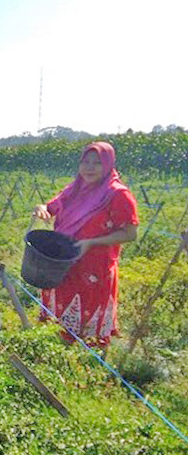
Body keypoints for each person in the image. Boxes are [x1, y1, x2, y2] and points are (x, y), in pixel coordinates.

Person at [33, 141, 138, 346]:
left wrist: (91, 243)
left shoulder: (117, 194)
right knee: (58, 320)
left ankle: (86, 357)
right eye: (85, 162)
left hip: (94, 267)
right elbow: (50, 207)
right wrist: (41, 208)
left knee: (88, 325)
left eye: (97, 163)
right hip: (63, 261)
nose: (89, 168)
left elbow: (130, 234)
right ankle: (57, 351)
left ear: (108, 164)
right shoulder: (74, 189)